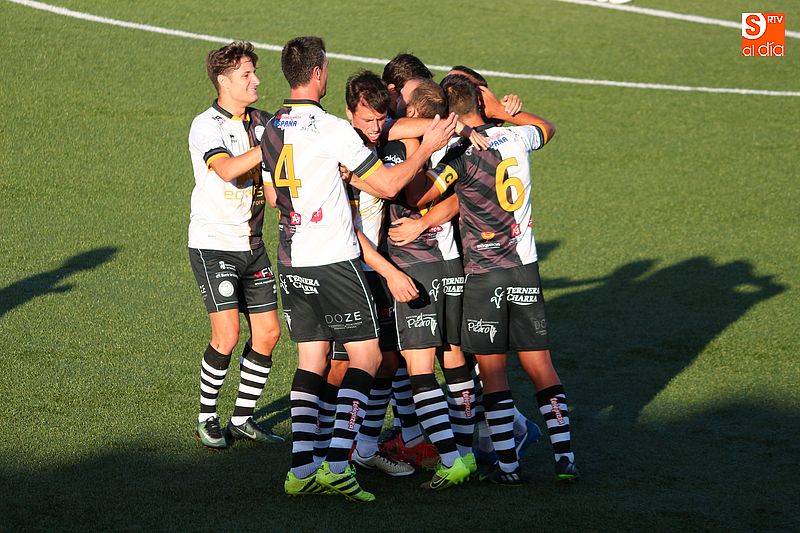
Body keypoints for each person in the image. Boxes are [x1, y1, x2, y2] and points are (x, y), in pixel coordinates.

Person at [260, 36, 456, 501]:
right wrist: (426, 146)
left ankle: (301, 469)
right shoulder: (330, 129)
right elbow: (388, 184)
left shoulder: (270, 128)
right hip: (333, 260)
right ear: (319, 72)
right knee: (367, 359)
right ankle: (336, 464)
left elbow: (271, 196)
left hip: (292, 260)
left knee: (312, 360)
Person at [413, 74, 579, 484]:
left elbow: (420, 197)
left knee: (494, 376)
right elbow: (548, 128)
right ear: (481, 104)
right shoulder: (517, 138)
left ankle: (508, 468)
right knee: (542, 367)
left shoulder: (459, 154)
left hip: (483, 276)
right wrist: (507, 112)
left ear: (451, 114)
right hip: (524, 268)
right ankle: (566, 459)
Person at [187, 41, 283, 450]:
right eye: (246, 74)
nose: (256, 80)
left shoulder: (263, 120)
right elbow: (226, 170)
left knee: (269, 333)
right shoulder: (206, 124)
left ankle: (242, 418)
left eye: (254, 72)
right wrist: (269, 147)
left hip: (252, 243)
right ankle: (207, 417)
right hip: (214, 244)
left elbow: (274, 189)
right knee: (225, 335)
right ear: (224, 80)